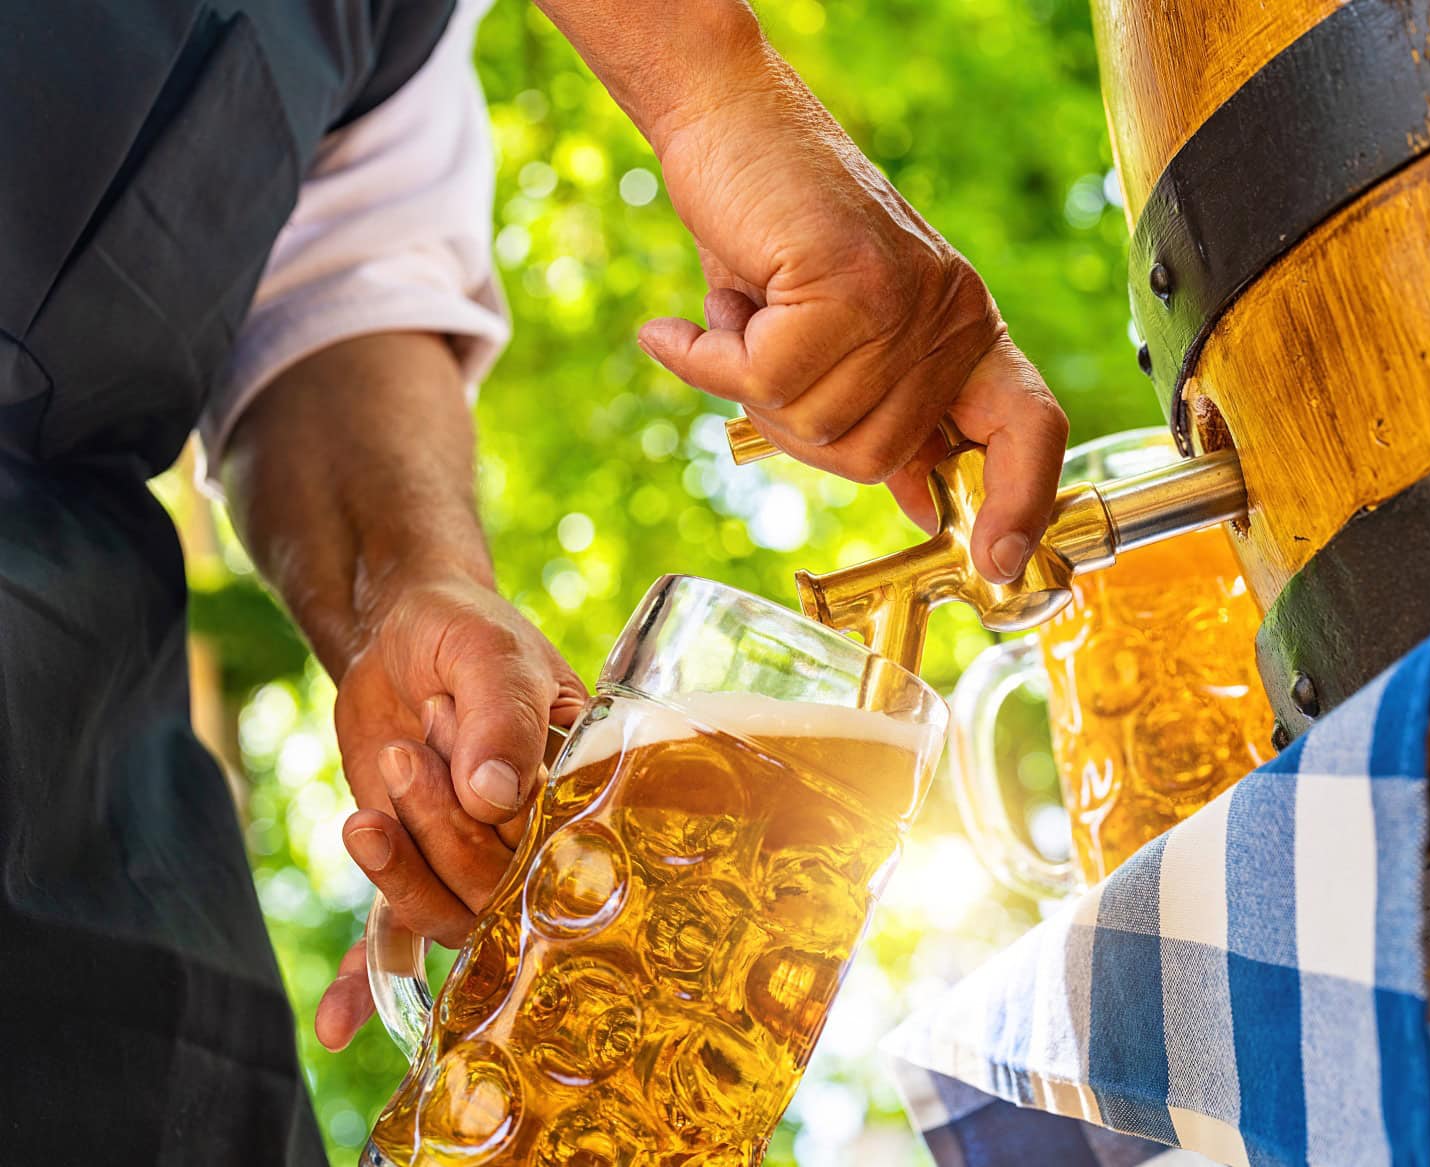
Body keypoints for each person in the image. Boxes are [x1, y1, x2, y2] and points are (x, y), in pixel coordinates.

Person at [0, 0, 1067, 1159]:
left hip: (96, 814)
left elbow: (324, 282)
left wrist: (408, 587)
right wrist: (706, 79)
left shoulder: (399, 36)